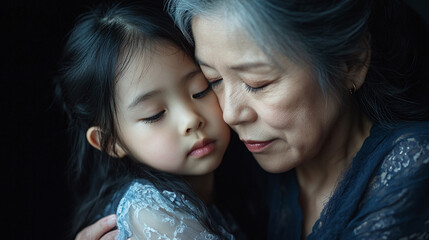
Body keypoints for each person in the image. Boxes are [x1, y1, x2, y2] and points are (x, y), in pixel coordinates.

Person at [79, 0, 429, 239]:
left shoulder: (413, 164)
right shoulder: (224, 166)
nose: (229, 113)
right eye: (212, 82)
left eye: (257, 83)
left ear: (350, 63)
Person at [55, 1, 244, 239]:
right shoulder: (152, 214)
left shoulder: (244, 182)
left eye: (201, 90)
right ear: (111, 142)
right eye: (155, 114)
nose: (191, 120)